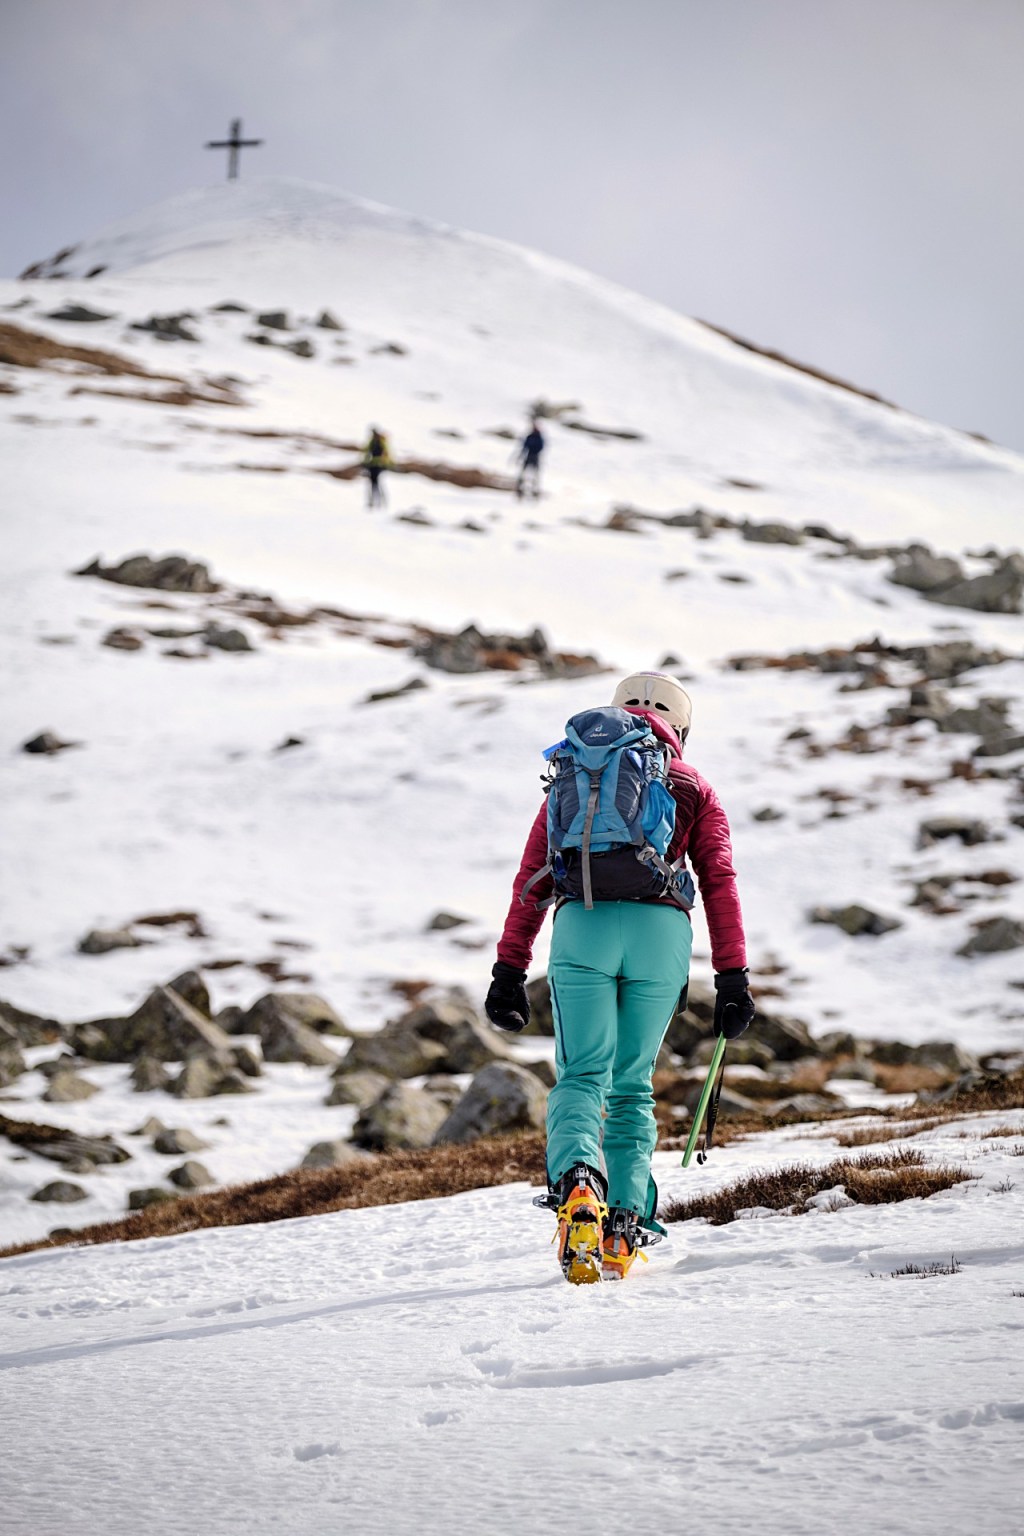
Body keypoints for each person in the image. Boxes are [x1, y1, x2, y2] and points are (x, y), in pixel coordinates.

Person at [484, 670, 754, 1284]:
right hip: (662, 936)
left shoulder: (573, 774)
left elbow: (532, 878)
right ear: (682, 729)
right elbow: (719, 881)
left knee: (583, 1075)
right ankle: (624, 1225)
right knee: (632, 1088)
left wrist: (509, 967)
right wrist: (733, 977)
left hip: (584, 923)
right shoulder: (694, 786)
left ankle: (580, 1184)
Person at [515, 420, 545, 499]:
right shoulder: (530, 436)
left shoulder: (539, 437)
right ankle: (520, 487)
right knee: (524, 472)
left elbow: (541, 447)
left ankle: (534, 488)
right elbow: (525, 446)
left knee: (535, 474)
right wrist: (521, 456)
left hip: (535, 456)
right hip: (529, 455)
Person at [362, 426, 391, 508]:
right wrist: (366, 463)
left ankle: (380, 501)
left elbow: (385, 453)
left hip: (378, 465)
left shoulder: (380, 442)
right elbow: (367, 452)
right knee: (373, 483)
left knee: (376, 483)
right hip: (372, 465)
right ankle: (375, 501)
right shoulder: (373, 442)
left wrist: (384, 463)